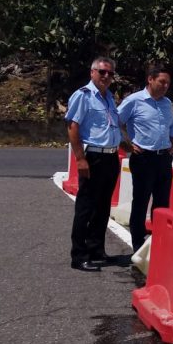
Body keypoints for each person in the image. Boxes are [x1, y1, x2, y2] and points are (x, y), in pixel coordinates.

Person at [65, 57, 122, 272]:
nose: (106, 76)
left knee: (103, 206)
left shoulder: (109, 98)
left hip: (110, 157)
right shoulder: (83, 96)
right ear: (92, 73)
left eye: (110, 73)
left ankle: (96, 249)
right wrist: (80, 159)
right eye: (102, 72)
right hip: (93, 157)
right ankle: (79, 255)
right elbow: (73, 127)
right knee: (86, 207)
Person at [117, 64, 173, 253]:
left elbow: (172, 124)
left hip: (163, 158)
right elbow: (115, 122)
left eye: (168, 83)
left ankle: (160, 239)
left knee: (162, 202)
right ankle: (137, 242)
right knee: (141, 201)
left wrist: (171, 141)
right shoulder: (134, 101)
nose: (165, 86)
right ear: (150, 79)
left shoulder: (166, 103)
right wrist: (125, 143)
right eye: (162, 81)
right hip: (143, 158)